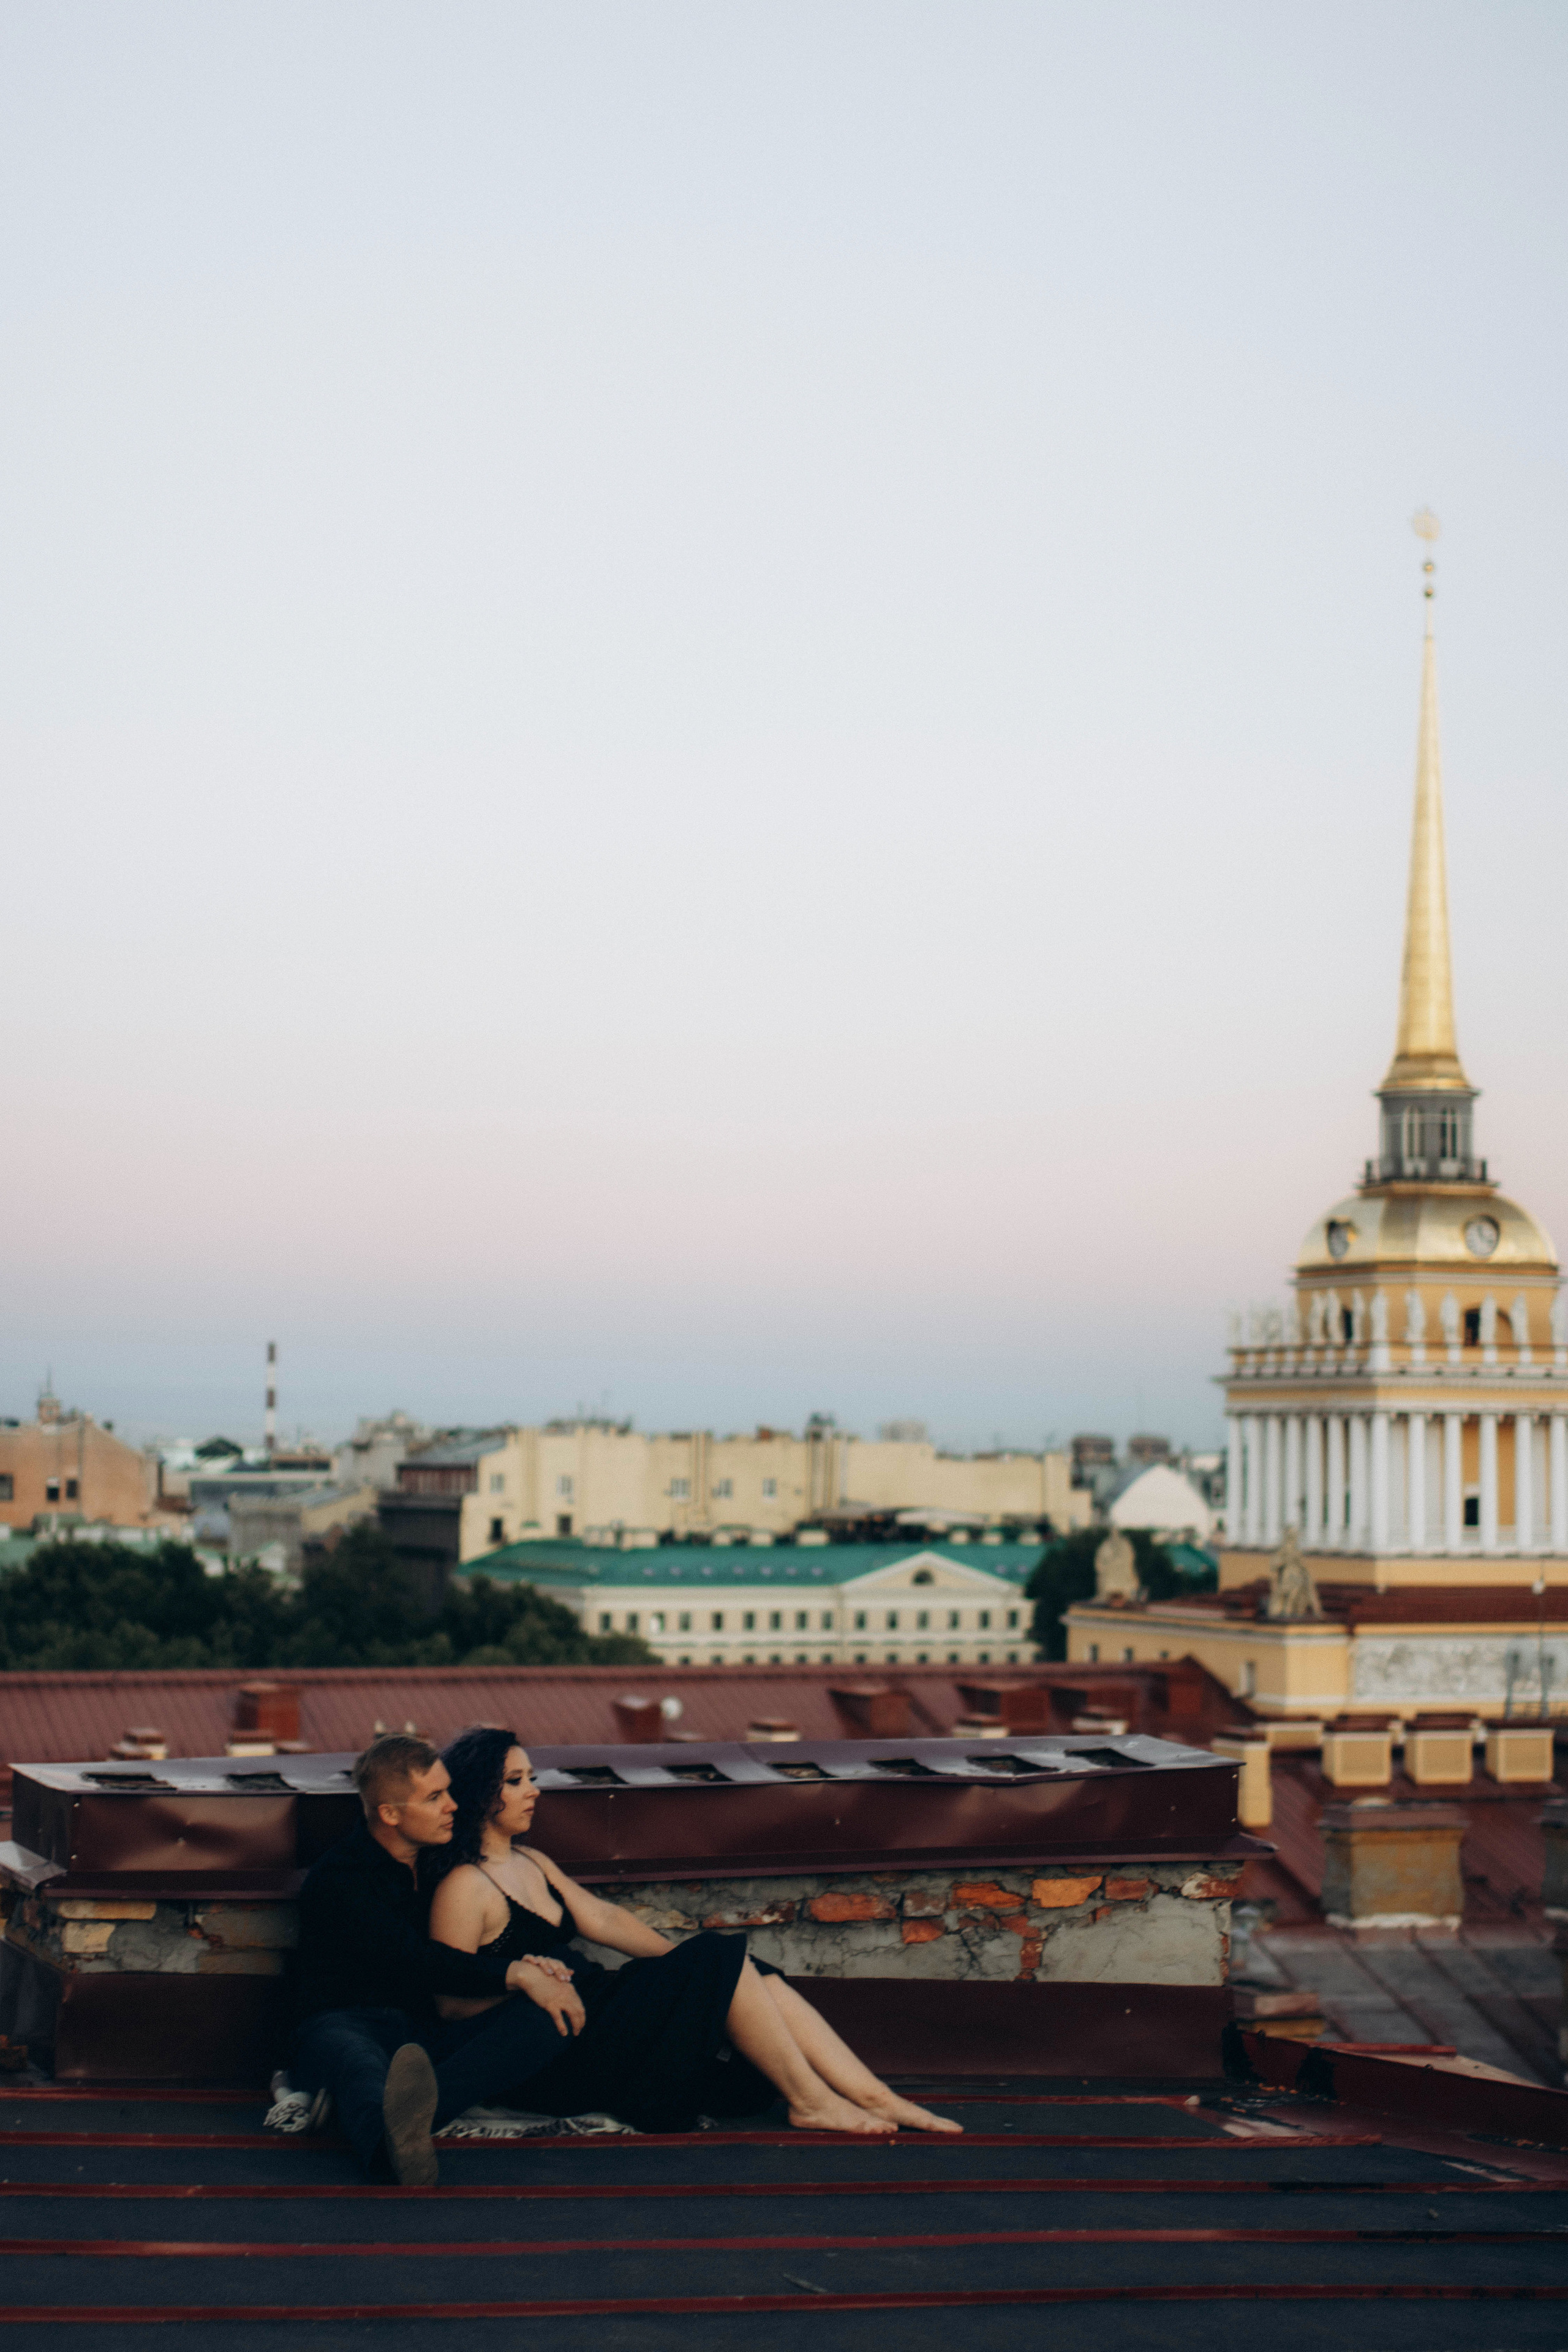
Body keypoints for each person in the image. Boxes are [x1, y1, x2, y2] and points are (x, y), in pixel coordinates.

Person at [427, 1725, 961, 2138]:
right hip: (554, 2049)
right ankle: (812, 2103)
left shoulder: (533, 1862)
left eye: (533, 1780)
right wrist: (522, 1979)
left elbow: (605, 1921)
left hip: (597, 2015)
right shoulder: (463, 1886)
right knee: (718, 1964)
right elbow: (450, 2003)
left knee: (741, 1975)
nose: (534, 1793)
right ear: (478, 1794)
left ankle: (874, 2094)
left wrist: (696, 1973)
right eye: (516, 1782)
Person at [291, 1732, 584, 2184]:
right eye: (435, 1797)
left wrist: (542, 1970)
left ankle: (392, 2117)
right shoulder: (341, 1878)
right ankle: (392, 2153)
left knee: (547, 2015)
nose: (453, 1805)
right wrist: (516, 1972)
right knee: (361, 2066)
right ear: (390, 1813)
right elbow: (417, 1961)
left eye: (448, 1791)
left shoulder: (436, 1866)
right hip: (343, 2020)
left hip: (422, 2031)